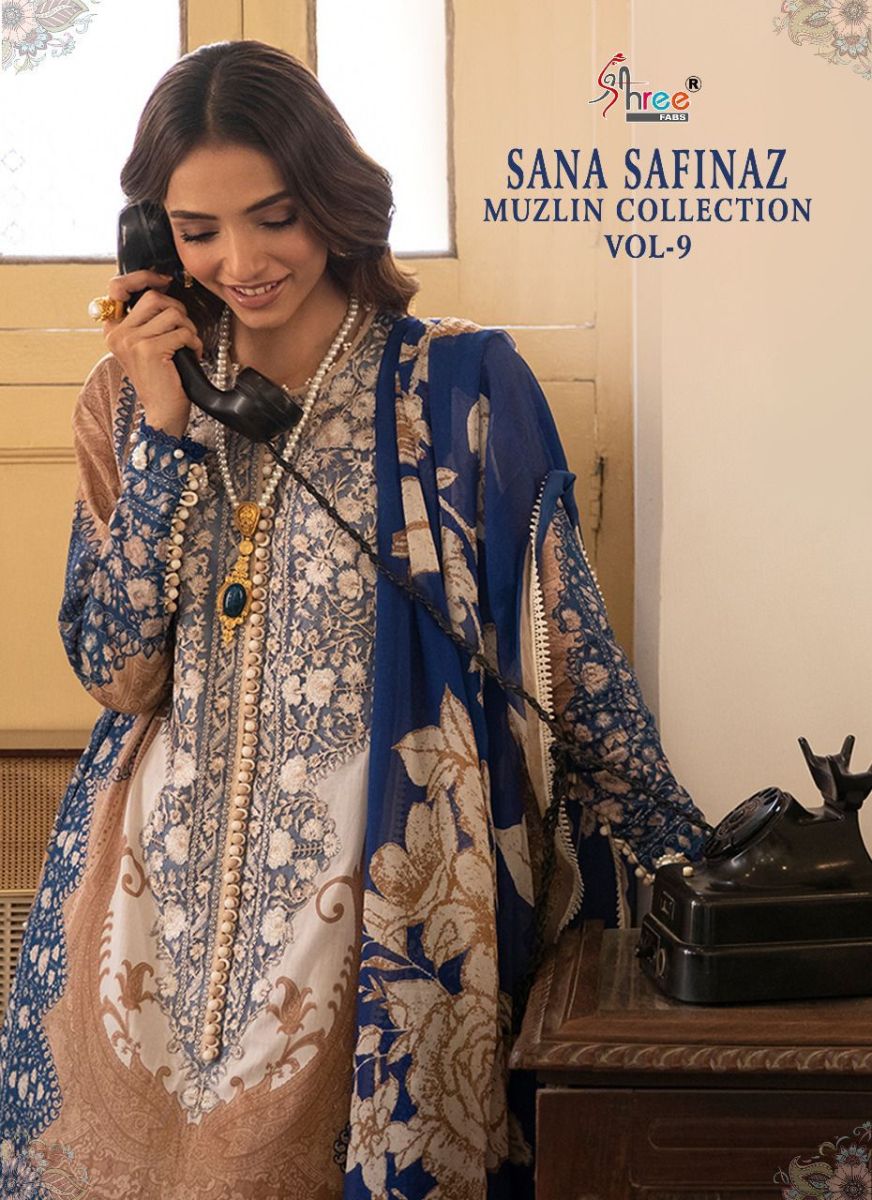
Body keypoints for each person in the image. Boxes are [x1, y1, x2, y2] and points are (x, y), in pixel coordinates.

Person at [0, 39, 706, 1200]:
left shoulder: (458, 389)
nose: (241, 262)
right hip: (151, 908)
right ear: (153, 240)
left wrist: (699, 866)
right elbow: (116, 673)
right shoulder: (127, 398)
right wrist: (166, 431)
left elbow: (568, 662)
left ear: (334, 199)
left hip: (380, 897)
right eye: (198, 231)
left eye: (274, 217)